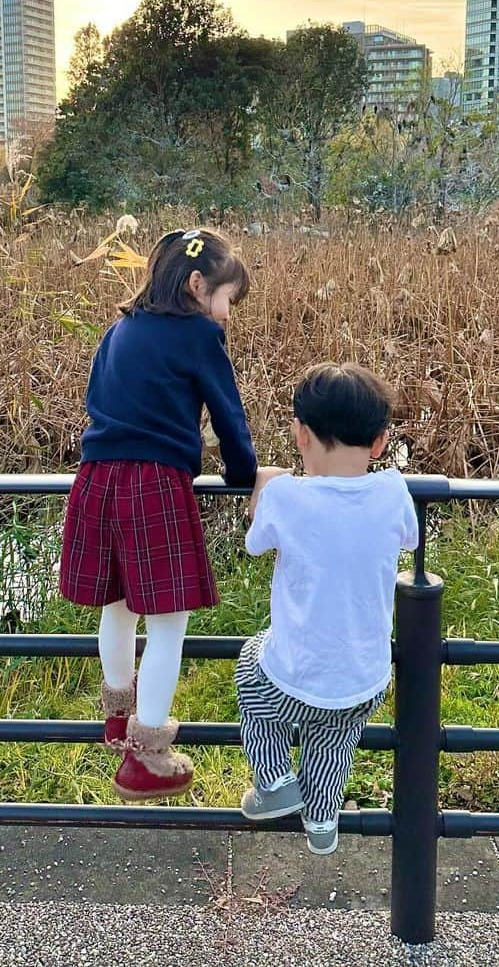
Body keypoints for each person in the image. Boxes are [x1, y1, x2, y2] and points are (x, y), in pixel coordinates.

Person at [60, 228, 257, 800]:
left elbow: (97, 402)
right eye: (226, 299)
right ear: (198, 286)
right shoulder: (197, 333)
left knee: (117, 607)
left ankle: (118, 720)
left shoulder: (119, 328)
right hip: (153, 484)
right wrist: (247, 477)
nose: (226, 314)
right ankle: (147, 757)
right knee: (169, 622)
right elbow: (228, 416)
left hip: (98, 479)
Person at [236, 363, 419, 854]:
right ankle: (322, 823)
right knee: (332, 741)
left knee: (250, 672)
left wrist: (265, 484)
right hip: (365, 678)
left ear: (300, 435)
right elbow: (410, 535)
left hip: (295, 675)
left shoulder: (285, 495)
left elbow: (255, 544)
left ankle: (274, 781)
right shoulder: (392, 489)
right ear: (379, 442)